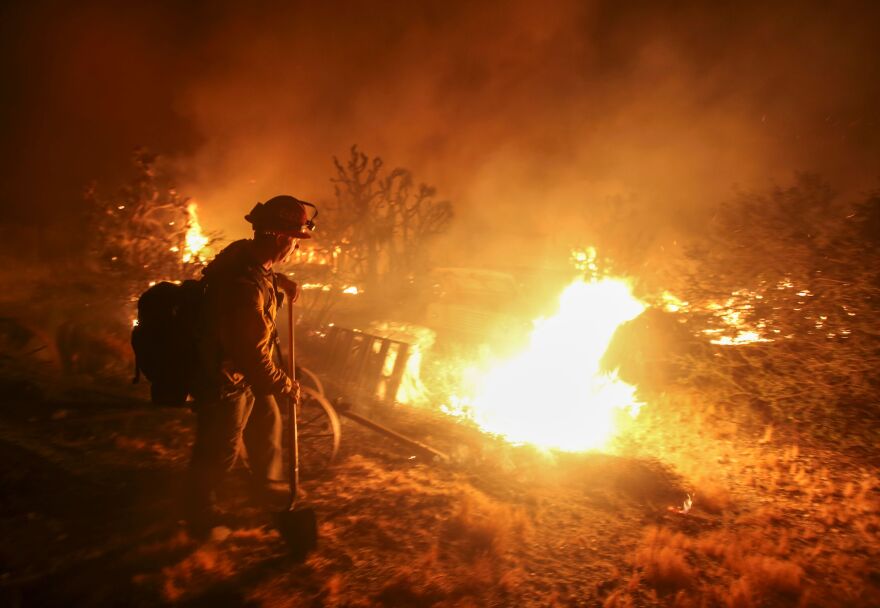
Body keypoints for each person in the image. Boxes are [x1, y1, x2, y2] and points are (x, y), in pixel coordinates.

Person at [185, 194, 316, 530]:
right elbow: (253, 356)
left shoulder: (246, 258)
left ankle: (265, 486)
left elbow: (250, 276)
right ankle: (199, 514)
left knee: (267, 417)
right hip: (224, 379)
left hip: (237, 373)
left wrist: (278, 281)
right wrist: (287, 385)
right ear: (283, 238)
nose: (295, 251)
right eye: (296, 243)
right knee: (219, 450)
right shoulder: (244, 287)